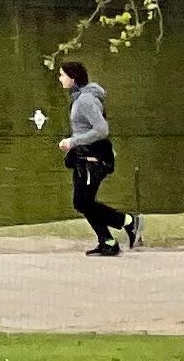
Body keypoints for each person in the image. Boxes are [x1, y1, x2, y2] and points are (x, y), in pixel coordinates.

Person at [56, 58, 138, 256]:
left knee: (83, 203)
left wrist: (73, 141)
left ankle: (127, 221)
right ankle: (108, 241)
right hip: (82, 158)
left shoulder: (86, 100)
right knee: (83, 203)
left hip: (93, 159)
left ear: (73, 78)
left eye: (62, 75)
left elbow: (102, 129)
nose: (60, 79)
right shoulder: (80, 97)